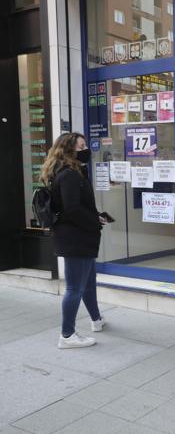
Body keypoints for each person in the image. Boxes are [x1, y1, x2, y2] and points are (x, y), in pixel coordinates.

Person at [40, 133, 107, 349]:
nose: (86, 148)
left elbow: (75, 207)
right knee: (74, 288)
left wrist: (94, 217)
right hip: (75, 237)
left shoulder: (71, 171)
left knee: (88, 281)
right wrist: (94, 223)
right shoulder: (68, 174)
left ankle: (96, 320)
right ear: (69, 150)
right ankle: (67, 335)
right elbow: (72, 209)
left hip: (79, 235)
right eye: (81, 146)